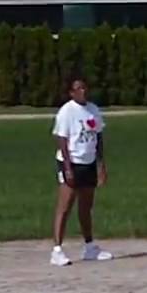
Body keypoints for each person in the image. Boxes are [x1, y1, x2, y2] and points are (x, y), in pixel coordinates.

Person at [51, 76, 114, 266]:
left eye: (84, 88)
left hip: (88, 162)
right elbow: (62, 139)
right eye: (78, 89)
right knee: (65, 206)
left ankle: (89, 246)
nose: (83, 91)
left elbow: (98, 138)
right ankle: (57, 250)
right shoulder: (67, 112)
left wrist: (100, 165)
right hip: (71, 162)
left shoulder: (93, 110)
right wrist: (68, 168)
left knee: (86, 206)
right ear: (71, 93)